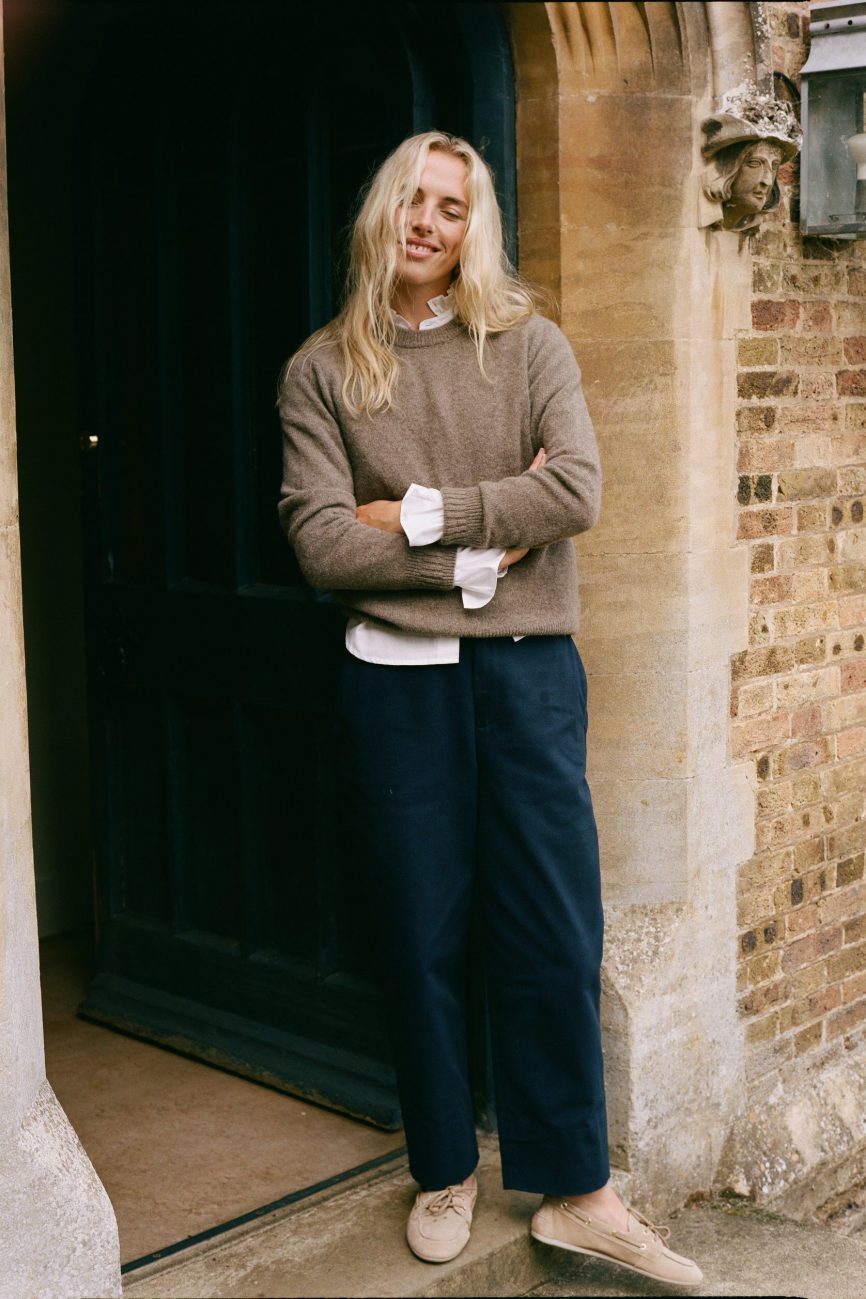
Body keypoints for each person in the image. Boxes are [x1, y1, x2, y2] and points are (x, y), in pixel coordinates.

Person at [278, 130, 703, 1289]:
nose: (427, 222)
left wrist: (415, 518)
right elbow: (320, 541)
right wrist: (472, 559)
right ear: (381, 214)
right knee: (419, 934)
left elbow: (571, 489)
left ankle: (577, 1192)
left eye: (451, 206)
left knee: (553, 927)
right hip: (395, 681)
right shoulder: (322, 371)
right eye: (411, 200)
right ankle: (442, 1169)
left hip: (525, 674)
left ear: (475, 228)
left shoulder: (529, 346)